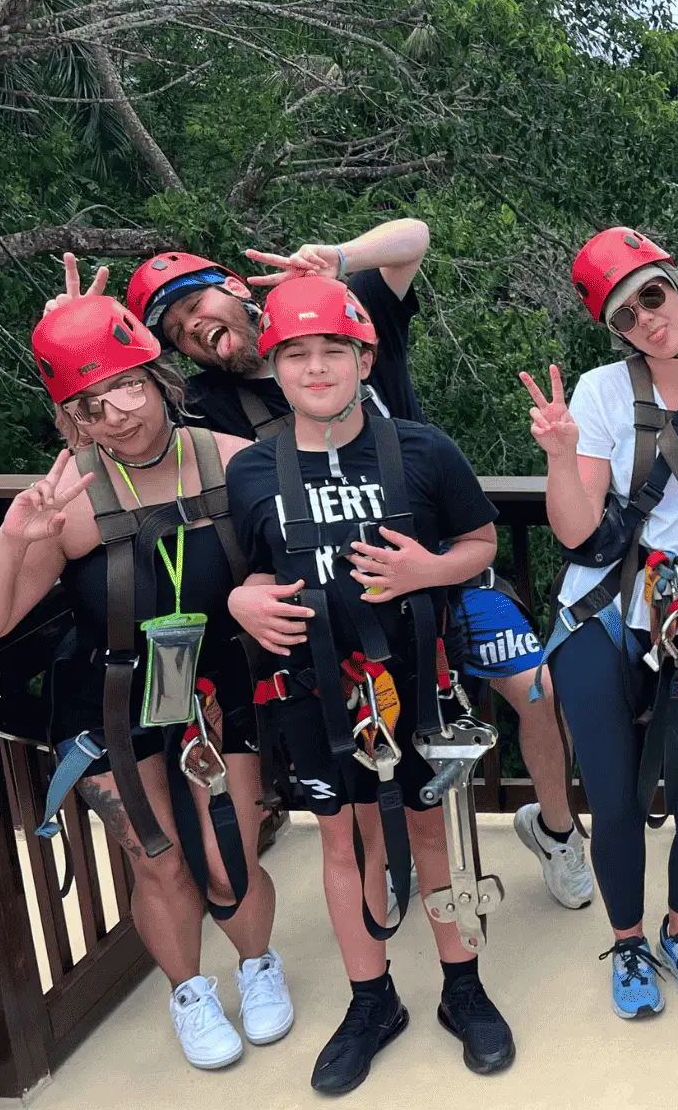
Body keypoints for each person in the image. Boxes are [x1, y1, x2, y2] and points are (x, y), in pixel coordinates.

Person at [121, 227, 591, 911]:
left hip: (443, 573)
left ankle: (554, 828)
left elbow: (415, 238)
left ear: (236, 289)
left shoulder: (344, 314)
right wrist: (76, 336)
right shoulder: (206, 405)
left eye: (197, 303)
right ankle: (386, 867)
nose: (194, 326)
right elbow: (118, 418)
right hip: (332, 610)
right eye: (176, 328)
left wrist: (339, 260)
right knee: (358, 742)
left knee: (538, 688)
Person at [0, 296, 293, 1071]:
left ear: (156, 376)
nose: (118, 414)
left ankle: (257, 963)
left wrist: (258, 588)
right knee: (155, 855)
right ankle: (188, 989)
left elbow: (295, 563)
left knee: (225, 847)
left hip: (216, 685)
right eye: (90, 406)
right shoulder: (69, 498)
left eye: (127, 388)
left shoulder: (236, 461)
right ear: (73, 419)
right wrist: (14, 537)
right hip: (112, 695)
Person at [223, 276, 515, 1092]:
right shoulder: (252, 471)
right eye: (297, 355)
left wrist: (430, 568)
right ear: (274, 368)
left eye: (332, 352)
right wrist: (243, 598)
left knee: (429, 834)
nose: (316, 370)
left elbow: (481, 541)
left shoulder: (422, 449)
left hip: (412, 681)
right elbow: (247, 569)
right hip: (313, 689)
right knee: (343, 840)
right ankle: (371, 999)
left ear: (362, 359)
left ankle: (462, 987)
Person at [527, 226, 678, 1019]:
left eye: (653, 297)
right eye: (626, 315)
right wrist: (562, 455)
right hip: (606, 606)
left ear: (677, 285)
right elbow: (576, 533)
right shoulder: (602, 392)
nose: (646, 320)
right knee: (615, 798)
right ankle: (628, 940)